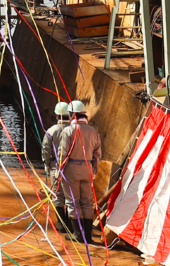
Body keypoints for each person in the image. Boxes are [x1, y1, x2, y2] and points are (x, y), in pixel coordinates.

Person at [59, 100, 102, 244]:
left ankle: (77, 234)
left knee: (73, 202)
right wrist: (93, 170)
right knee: (87, 202)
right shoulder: (93, 131)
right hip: (88, 168)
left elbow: (62, 153)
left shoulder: (68, 131)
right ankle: (87, 236)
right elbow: (98, 154)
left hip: (71, 168)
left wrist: (60, 170)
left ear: (71, 115)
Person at [41, 101, 71, 235]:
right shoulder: (74, 129)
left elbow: (46, 150)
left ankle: (61, 223)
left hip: (56, 167)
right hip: (73, 166)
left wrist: (47, 165)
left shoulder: (52, 130)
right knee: (71, 196)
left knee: (58, 195)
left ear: (57, 115)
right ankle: (71, 224)